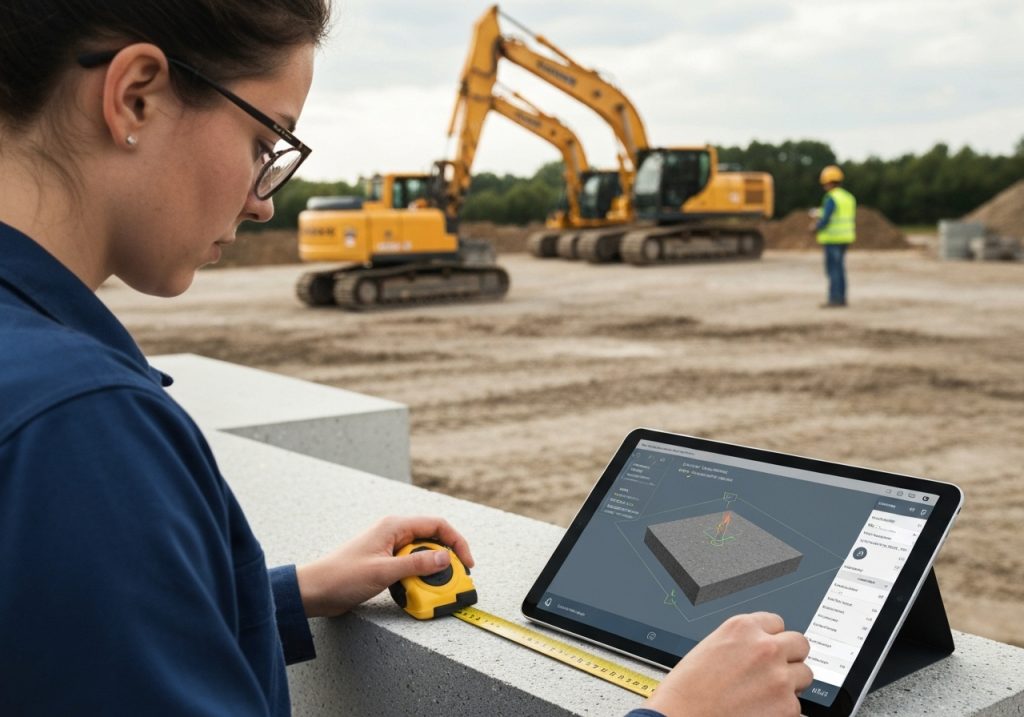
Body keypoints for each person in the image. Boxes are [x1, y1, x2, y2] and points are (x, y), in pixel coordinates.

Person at [0, 2, 812, 715]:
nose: (264, 197)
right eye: (264, 140)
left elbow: (63, 637)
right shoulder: (79, 428)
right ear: (135, 94)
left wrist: (280, 595)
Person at [814, 165, 857, 307]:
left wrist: (815, 227)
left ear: (828, 182)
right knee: (840, 269)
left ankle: (835, 299)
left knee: (833, 270)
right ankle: (842, 298)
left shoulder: (832, 197)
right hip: (846, 238)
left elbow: (826, 219)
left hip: (833, 239)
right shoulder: (848, 197)